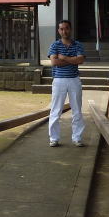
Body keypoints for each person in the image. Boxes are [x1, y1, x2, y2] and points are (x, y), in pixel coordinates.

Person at [47, 19, 86, 147]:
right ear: (58, 31)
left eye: (67, 28)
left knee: (77, 110)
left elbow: (80, 60)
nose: (64, 31)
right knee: (55, 110)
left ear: (71, 29)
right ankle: (54, 138)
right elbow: (54, 62)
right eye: (62, 29)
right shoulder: (54, 45)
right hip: (59, 80)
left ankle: (77, 137)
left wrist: (63, 58)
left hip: (74, 79)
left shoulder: (78, 44)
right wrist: (72, 60)